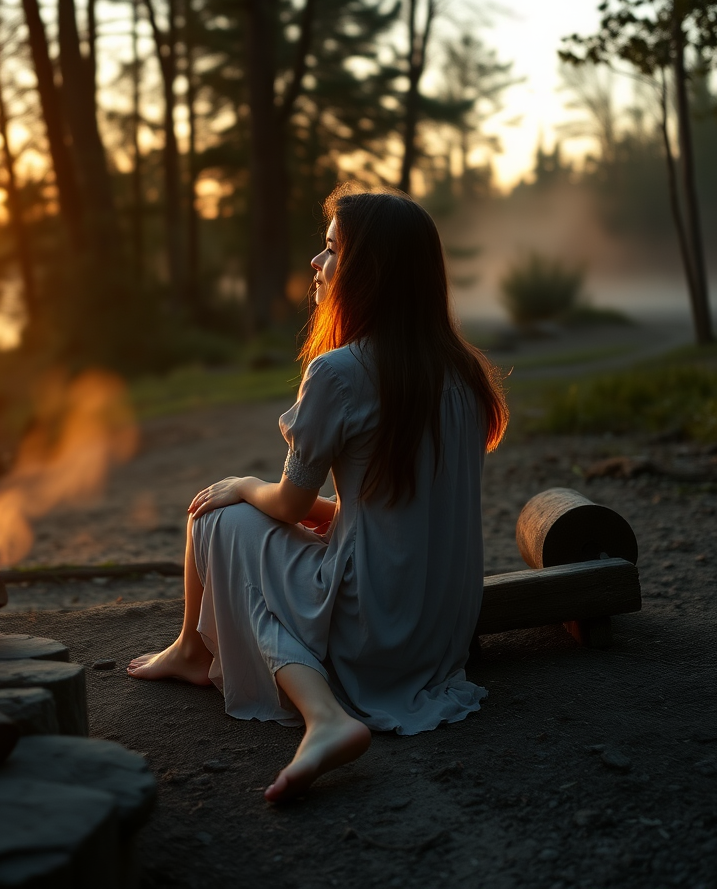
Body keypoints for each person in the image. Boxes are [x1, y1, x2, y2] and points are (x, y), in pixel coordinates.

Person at [128, 185, 508, 803]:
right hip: (442, 632)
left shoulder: (342, 372)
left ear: (368, 272)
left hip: (375, 629)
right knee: (260, 527)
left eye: (330, 249)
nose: (316, 262)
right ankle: (189, 650)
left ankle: (320, 715)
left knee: (222, 519)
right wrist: (313, 519)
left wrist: (246, 485)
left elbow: (287, 506)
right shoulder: (460, 371)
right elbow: (393, 512)